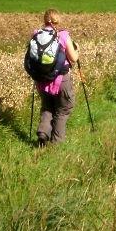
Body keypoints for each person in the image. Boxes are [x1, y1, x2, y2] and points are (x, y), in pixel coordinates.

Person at [32, 8, 79, 146]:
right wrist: (78, 51)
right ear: (57, 20)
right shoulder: (63, 35)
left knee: (47, 106)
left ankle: (43, 133)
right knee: (64, 108)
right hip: (61, 79)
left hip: (41, 79)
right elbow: (73, 58)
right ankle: (56, 143)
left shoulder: (36, 34)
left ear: (44, 20)